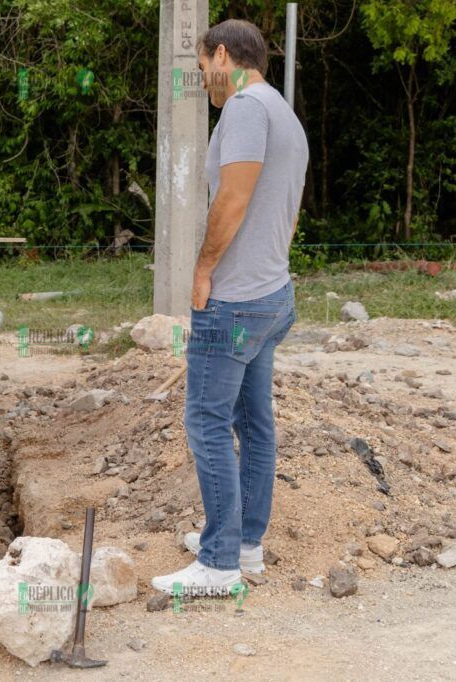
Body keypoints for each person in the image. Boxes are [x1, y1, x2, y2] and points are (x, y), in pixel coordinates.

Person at [152, 19, 308, 593]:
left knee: (207, 420)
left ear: (223, 55)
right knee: (254, 422)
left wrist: (202, 270)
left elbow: (234, 200)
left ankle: (219, 564)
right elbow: (282, 210)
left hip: (236, 300)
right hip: (271, 294)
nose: (204, 79)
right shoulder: (282, 112)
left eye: (202, 66)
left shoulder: (244, 108)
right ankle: (244, 544)